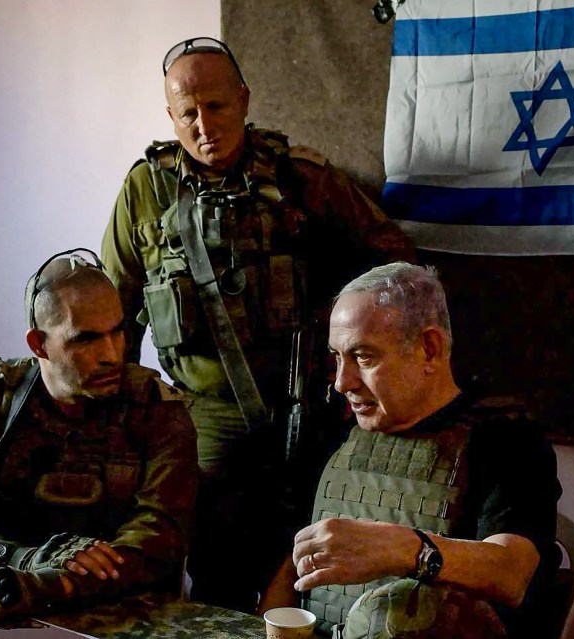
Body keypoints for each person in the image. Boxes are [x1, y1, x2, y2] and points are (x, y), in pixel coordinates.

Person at [101, 36, 416, 611]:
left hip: (310, 406)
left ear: (243, 100)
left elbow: (396, 268)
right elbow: (114, 316)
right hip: (202, 422)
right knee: (217, 572)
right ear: (170, 115)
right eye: (187, 113)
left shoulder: (301, 179)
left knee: (310, 572)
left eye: (217, 107)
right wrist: (119, 428)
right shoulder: (145, 191)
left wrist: (347, 341)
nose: (204, 126)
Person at [0, 249, 198, 624]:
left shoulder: (158, 410)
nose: (112, 354)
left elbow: (157, 541)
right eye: (86, 339)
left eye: (118, 332)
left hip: (128, 612)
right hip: (8, 596)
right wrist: (15, 560)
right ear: (38, 344)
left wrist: (48, 585)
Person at [259, 262, 561, 638]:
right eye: (337, 357)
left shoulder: (505, 439)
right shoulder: (332, 434)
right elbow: (291, 565)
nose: (341, 382)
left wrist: (405, 549)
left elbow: (512, 573)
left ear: (429, 349)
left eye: (364, 357)